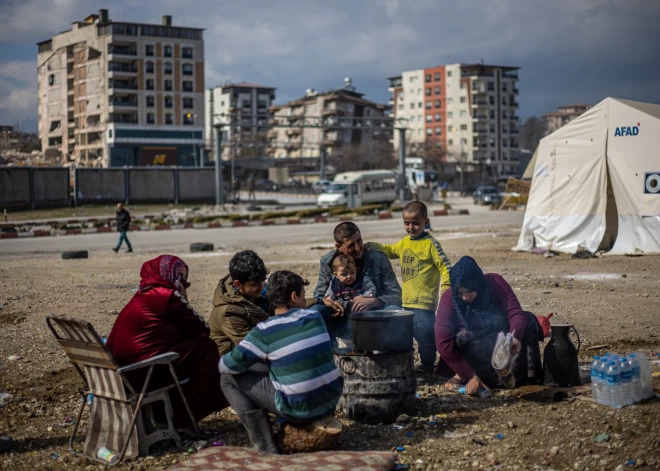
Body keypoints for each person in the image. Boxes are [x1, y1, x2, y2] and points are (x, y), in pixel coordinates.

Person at [219, 270, 343, 453]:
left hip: (300, 410)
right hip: (331, 400)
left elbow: (226, 365)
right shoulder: (315, 317)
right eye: (303, 295)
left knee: (227, 379)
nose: (304, 300)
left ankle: (264, 444)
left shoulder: (264, 330)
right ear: (294, 297)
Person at [106, 255, 227, 428]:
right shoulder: (166, 296)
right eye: (181, 279)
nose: (184, 284)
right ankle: (186, 416)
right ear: (169, 276)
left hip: (120, 374)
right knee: (206, 349)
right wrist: (182, 296)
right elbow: (202, 330)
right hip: (141, 375)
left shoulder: (143, 294)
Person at [434, 256, 543, 395]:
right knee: (467, 340)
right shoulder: (449, 298)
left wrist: (514, 338)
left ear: (479, 284)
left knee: (529, 319)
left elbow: (516, 313)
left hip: (498, 336)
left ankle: (527, 377)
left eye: (469, 291)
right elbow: (443, 343)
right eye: (460, 293)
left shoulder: (495, 283)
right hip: (473, 345)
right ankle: (472, 376)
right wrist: (469, 375)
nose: (465, 298)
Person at [369, 201, 452, 375]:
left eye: (416, 223)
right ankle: (413, 367)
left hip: (424, 303)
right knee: (409, 336)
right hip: (406, 301)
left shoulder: (430, 244)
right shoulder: (405, 242)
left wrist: (446, 285)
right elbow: (391, 251)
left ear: (426, 221)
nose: (411, 227)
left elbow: (445, 266)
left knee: (425, 339)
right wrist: (374, 246)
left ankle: (428, 369)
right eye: (407, 223)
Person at [313, 222, 402, 346]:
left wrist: (374, 301)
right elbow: (318, 297)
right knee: (317, 311)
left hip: (373, 315)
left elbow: (396, 296)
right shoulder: (328, 262)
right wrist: (337, 303)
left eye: (359, 240)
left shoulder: (378, 259)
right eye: (351, 245)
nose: (358, 247)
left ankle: (389, 359)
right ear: (339, 247)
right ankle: (331, 356)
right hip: (342, 316)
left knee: (394, 312)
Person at [208, 250, 270, 356]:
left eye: (262, 281)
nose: (261, 287)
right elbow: (254, 347)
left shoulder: (255, 291)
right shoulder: (229, 313)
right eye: (254, 284)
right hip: (230, 360)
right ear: (237, 284)